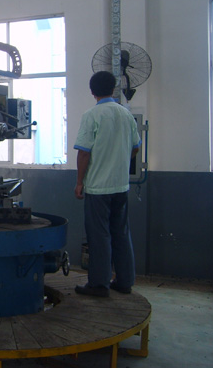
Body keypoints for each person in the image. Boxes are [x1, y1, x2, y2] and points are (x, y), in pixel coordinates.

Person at [73, 71, 141, 297]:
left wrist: (79, 182)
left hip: (98, 188)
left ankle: (99, 284)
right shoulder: (125, 114)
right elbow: (135, 147)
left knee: (99, 236)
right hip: (121, 186)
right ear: (113, 89)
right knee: (121, 233)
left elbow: (84, 153)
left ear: (92, 91)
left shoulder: (92, 115)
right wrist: (118, 161)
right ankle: (124, 282)